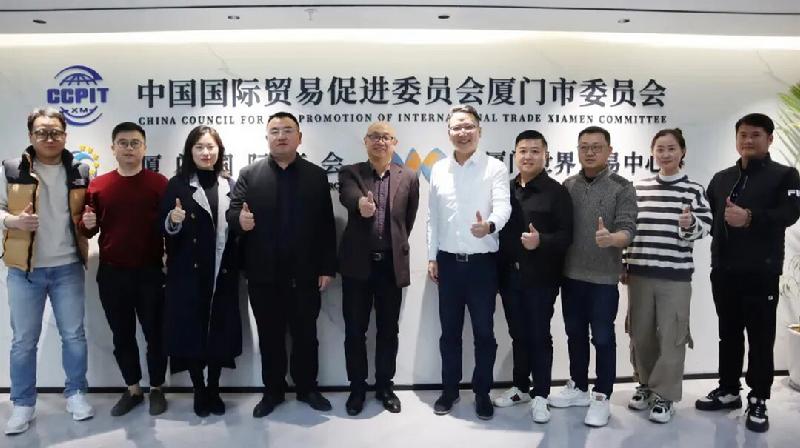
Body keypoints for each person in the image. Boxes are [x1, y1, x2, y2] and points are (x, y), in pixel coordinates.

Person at [227, 112, 337, 418]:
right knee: (270, 335)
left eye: (287, 130)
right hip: (263, 274)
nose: (281, 136)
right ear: (267, 138)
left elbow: (326, 226)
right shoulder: (250, 174)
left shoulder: (316, 175)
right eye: (274, 131)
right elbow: (232, 213)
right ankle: (273, 391)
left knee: (306, 335)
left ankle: (307, 388)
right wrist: (240, 220)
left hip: (306, 273)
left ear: (299, 137)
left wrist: (327, 267)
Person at [696, 113, 800, 433]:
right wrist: (691, 223)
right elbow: (708, 218)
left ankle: (758, 398)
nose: (748, 140)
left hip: (761, 271)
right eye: (743, 134)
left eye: (756, 134)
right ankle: (729, 390)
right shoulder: (721, 178)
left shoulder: (785, 175)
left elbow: (791, 213)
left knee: (760, 337)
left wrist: (751, 217)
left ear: (770, 139)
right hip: (724, 270)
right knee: (728, 334)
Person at [1, 107, 94, 435]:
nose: (49, 138)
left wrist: (90, 221)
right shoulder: (12, 169)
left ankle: (76, 393)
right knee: (24, 341)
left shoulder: (80, 170)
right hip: (25, 271)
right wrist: (12, 221)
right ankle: (23, 403)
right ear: (31, 135)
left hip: (68, 266)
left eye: (55, 132)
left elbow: (87, 215)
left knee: (74, 336)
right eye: (42, 132)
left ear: (65, 135)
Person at [548, 126, 637, 427]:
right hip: (571, 275)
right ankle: (578, 387)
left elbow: (628, 229)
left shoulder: (622, 187)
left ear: (609, 151)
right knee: (574, 334)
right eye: (584, 146)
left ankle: (602, 395)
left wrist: (613, 239)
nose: (589, 152)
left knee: (602, 337)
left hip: (603, 278)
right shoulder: (568, 185)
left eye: (596, 147)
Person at [427, 105, 511, 420]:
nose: (463, 132)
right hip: (448, 263)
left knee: (484, 334)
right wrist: (432, 256)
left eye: (468, 126)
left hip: (482, 265)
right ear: (449, 133)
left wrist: (489, 225)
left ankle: (482, 392)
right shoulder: (438, 169)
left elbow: (503, 207)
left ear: (479, 130)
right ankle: (449, 391)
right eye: (456, 127)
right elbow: (433, 218)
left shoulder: (495, 168)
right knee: (449, 333)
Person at [79, 122, 169, 417]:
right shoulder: (99, 185)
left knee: (156, 334)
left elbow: (171, 227)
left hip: (151, 272)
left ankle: (157, 388)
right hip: (113, 273)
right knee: (122, 335)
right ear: (113, 148)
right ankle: (133, 389)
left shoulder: (160, 183)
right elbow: (87, 228)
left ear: (144, 148)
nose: (129, 148)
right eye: (123, 143)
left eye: (135, 143)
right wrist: (86, 225)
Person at [622, 129, 711, 423]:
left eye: (671, 148)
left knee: (673, 336)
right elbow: (628, 228)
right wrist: (624, 263)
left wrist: (690, 223)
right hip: (639, 274)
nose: (665, 154)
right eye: (660, 149)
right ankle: (646, 386)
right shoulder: (639, 187)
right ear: (652, 152)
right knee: (641, 334)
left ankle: (666, 396)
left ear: (682, 151)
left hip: (675, 276)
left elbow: (705, 227)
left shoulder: (693, 190)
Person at [338, 122, 420, 416]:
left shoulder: (408, 176)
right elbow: (348, 196)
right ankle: (357, 388)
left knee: (388, 330)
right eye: (374, 136)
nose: (380, 141)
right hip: (357, 266)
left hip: (390, 266)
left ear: (394, 142)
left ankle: (385, 386)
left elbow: (408, 220)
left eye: (386, 137)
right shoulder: (351, 172)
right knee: (355, 330)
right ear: (365, 141)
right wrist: (361, 204)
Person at [161, 125, 241, 417]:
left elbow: (238, 225)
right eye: (199, 147)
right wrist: (173, 219)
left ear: (219, 151)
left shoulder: (230, 184)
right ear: (189, 151)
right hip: (188, 272)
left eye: (211, 147)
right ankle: (198, 388)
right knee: (192, 331)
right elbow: (163, 228)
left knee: (219, 331)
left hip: (222, 269)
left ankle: (214, 388)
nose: (206, 153)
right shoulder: (177, 184)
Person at [493, 130, 573, 424]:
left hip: (541, 278)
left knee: (539, 335)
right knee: (518, 334)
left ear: (546, 155)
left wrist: (542, 241)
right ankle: (520, 387)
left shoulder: (557, 192)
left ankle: (541, 395)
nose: (528, 156)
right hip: (509, 277)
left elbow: (567, 236)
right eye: (523, 151)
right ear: (515, 154)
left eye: (535, 151)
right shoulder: (504, 189)